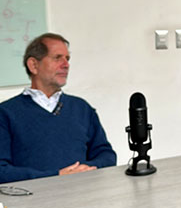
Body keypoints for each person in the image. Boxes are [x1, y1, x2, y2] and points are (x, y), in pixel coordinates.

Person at [0, 33, 116, 183]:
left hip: (84, 198)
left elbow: (106, 155)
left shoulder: (82, 108)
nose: (66, 64)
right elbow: (2, 171)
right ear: (34, 65)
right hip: (32, 202)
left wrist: (84, 170)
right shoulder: (5, 113)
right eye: (57, 58)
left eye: (67, 59)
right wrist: (56, 176)